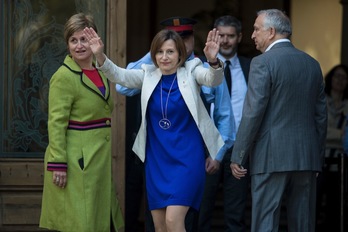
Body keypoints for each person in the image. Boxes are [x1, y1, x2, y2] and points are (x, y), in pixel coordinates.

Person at [84, 27, 226, 232]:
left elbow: (213, 79)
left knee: (173, 222)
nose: (164, 57)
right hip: (157, 161)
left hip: (187, 160)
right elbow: (119, 76)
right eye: (159, 52)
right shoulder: (147, 75)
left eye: (170, 51)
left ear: (180, 53)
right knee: (160, 227)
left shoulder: (192, 70)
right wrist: (99, 55)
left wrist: (213, 61)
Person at [230, 9, 327, 232]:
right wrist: (317, 155)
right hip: (306, 157)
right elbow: (321, 116)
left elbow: (254, 112)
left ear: (271, 32)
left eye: (256, 29)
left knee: (265, 222)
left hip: (270, 155)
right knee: (303, 224)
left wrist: (239, 154)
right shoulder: (312, 64)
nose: (252, 35)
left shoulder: (262, 62)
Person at [39, 13, 124, 232]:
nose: (79, 45)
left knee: (97, 218)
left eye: (84, 39)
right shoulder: (63, 76)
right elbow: (56, 123)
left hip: (97, 159)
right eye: (73, 40)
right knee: (80, 222)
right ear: (67, 44)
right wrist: (58, 163)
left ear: (94, 40)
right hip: (77, 162)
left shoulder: (100, 70)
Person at [198, 15, 251, 232]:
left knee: (235, 214)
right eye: (222, 36)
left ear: (239, 37)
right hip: (208, 147)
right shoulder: (200, 68)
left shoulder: (252, 67)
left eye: (231, 36)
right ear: (214, 36)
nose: (226, 41)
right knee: (202, 210)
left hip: (239, 148)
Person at [318, 64, 348, 231]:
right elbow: (319, 130)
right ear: (330, 78)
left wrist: (332, 133)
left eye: (344, 77)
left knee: (336, 207)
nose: (340, 80)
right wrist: (341, 134)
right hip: (320, 162)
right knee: (314, 204)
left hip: (342, 165)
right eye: (337, 76)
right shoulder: (321, 100)